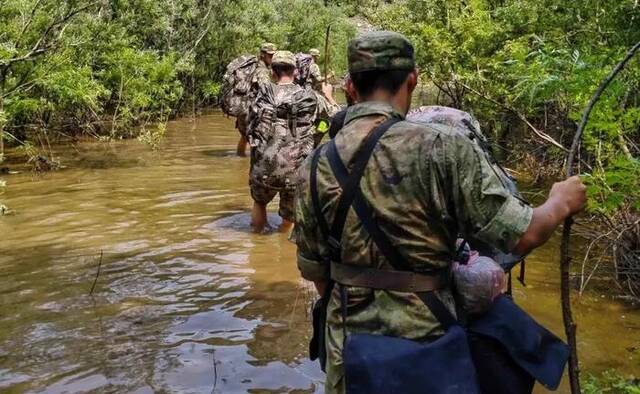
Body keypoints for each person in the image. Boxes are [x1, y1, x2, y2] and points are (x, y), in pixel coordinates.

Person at [294, 31, 587, 394]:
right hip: (431, 353)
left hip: (350, 361)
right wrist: (560, 201)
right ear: (413, 79)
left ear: (350, 87)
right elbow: (523, 234)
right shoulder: (443, 147)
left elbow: (316, 273)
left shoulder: (314, 163)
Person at [247, 51, 338, 233]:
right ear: (295, 71)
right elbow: (336, 118)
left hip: (264, 165)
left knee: (259, 203)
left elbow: (250, 126)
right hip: (296, 167)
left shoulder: (261, 95)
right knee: (289, 218)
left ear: (273, 71)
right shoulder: (311, 96)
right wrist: (328, 96)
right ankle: (282, 249)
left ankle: (257, 243)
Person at [235, 43, 277, 156]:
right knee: (256, 139)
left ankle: (240, 160)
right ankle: (250, 165)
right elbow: (266, 90)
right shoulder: (261, 70)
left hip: (244, 108)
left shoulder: (255, 67)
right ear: (263, 55)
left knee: (245, 137)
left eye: (273, 55)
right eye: (270, 55)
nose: (272, 58)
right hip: (251, 110)